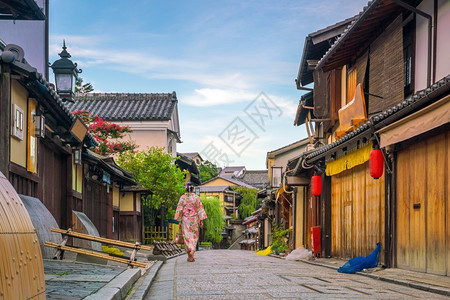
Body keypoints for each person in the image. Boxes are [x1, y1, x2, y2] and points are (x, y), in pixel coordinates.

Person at [174, 182, 207, 262]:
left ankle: (190, 254)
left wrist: (179, 221)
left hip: (185, 219)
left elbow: (179, 209)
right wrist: (201, 220)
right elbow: (200, 209)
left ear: (186, 188)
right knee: (194, 236)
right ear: (193, 189)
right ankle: (192, 252)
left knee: (186, 236)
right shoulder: (196, 197)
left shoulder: (183, 198)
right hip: (194, 219)